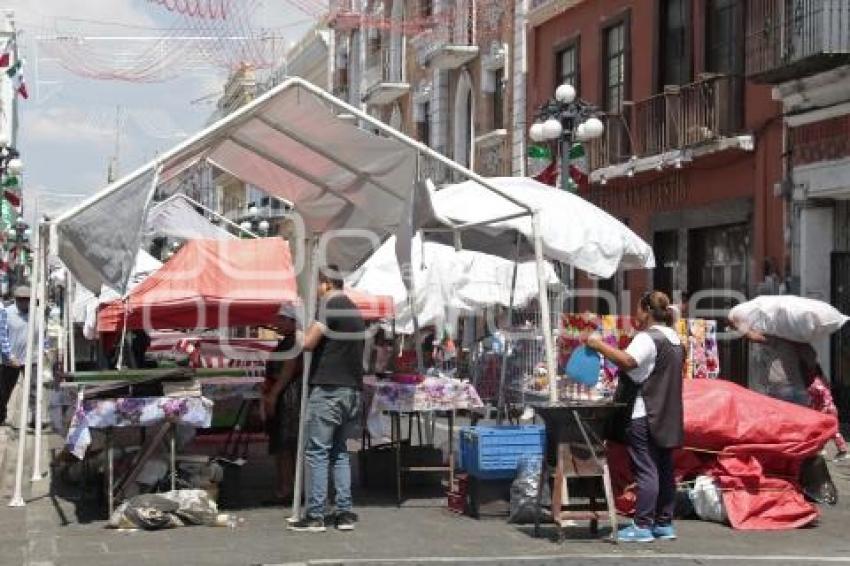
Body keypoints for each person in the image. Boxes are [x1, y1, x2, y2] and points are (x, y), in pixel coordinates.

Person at [585, 290, 685, 543]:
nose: (635, 314)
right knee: (663, 468)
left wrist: (598, 344)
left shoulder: (647, 338)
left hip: (645, 411)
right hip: (668, 413)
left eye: (638, 309)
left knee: (647, 469)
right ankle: (663, 523)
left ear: (647, 311)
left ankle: (642, 526)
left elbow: (629, 361)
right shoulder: (674, 338)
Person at [289, 266, 365, 533]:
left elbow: (308, 343)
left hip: (329, 390)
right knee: (340, 451)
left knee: (317, 451)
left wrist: (296, 330)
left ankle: (316, 515)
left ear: (325, 285)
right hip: (352, 390)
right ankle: (344, 512)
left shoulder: (329, 305)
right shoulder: (354, 310)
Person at [263, 303, 303, 505]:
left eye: (282, 318)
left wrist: (274, 394)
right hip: (284, 394)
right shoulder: (288, 340)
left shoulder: (294, 341)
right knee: (281, 444)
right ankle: (284, 486)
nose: (277, 322)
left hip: (289, 397)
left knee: (286, 444)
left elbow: (288, 369)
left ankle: (287, 489)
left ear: (293, 321)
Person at [0, 286, 31, 426]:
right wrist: (9, 355)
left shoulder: (35, 313)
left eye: (27, 300)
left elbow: (42, 332)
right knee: (4, 390)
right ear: (16, 300)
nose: (25, 303)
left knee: (34, 389)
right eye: (22, 300)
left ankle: (35, 419)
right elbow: (2, 336)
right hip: (9, 360)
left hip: (29, 358)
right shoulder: (6, 313)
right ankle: (1, 416)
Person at [805, 364, 848, 462]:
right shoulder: (819, 380)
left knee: (831, 430)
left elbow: (825, 395)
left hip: (826, 410)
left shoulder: (817, 381)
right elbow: (814, 398)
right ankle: (821, 449)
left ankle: (842, 451)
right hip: (824, 409)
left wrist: (824, 408)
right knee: (821, 430)